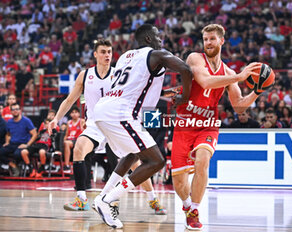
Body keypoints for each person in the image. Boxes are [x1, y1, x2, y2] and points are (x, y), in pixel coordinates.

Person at [48, 39, 167, 214]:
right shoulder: (85, 75)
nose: (107, 55)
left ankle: (152, 199)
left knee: (134, 163)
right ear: (95, 54)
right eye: (103, 52)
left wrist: (163, 94)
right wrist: (56, 119)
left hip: (115, 122)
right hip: (95, 125)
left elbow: (141, 90)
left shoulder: (118, 74)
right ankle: (81, 199)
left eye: (110, 52)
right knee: (78, 148)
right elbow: (70, 99)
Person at [93, 24, 193, 228]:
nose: (161, 40)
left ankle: (101, 197)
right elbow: (186, 69)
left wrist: (167, 94)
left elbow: (135, 86)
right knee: (156, 161)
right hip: (122, 113)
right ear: (148, 39)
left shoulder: (124, 57)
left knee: (133, 154)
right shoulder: (157, 54)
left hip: (104, 109)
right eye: (157, 37)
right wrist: (185, 97)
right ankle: (108, 200)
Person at [171, 24, 263, 230]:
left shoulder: (228, 72)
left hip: (207, 125)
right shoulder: (195, 58)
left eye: (212, 39)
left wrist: (257, 90)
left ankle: (194, 210)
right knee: (178, 182)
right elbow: (205, 81)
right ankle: (187, 205)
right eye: (205, 39)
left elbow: (239, 106)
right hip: (184, 124)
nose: (208, 43)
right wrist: (240, 77)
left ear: (222, 41)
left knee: (203, 159)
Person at [0, 103, 37, 176]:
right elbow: (8, 134)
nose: (15, 111)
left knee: (17, 154)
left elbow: (35, 134)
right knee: (1, 152)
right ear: (10, 112)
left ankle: (19, 167)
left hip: (23, 144)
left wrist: (27, 145)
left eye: (17, 109)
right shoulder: (9, 122)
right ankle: (13, 165)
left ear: (20, 110)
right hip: (13, 144)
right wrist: (7, 142)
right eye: (13, 109)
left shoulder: (26, 121)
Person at [63, 106, 84, 173]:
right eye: (72, 112)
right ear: (70, 114)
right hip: (70, 140)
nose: (74, 114)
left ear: (79, 114)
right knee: (65, 142)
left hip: (78, 140)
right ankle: (66, 165)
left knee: (66, 143)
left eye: (76, 112)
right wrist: (62, 142)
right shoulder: (69, 123)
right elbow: (66, 135)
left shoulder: (81, 121)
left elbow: (84, 131)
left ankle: (66, 165)